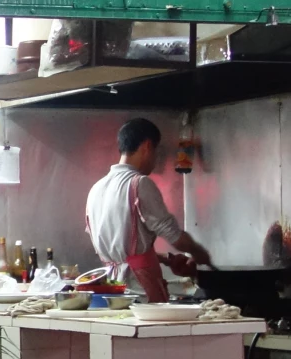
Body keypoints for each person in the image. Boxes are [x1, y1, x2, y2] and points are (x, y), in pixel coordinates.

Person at [82, 117, 211, 302]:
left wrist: (166, 259)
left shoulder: (96, 189)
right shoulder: (139, 183)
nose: (156, 159)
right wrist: (199, 253)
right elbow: (174, 236)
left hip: (112, 290)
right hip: (140, 290)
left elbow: (120, 250)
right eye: (157, 151)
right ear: (147, 146)